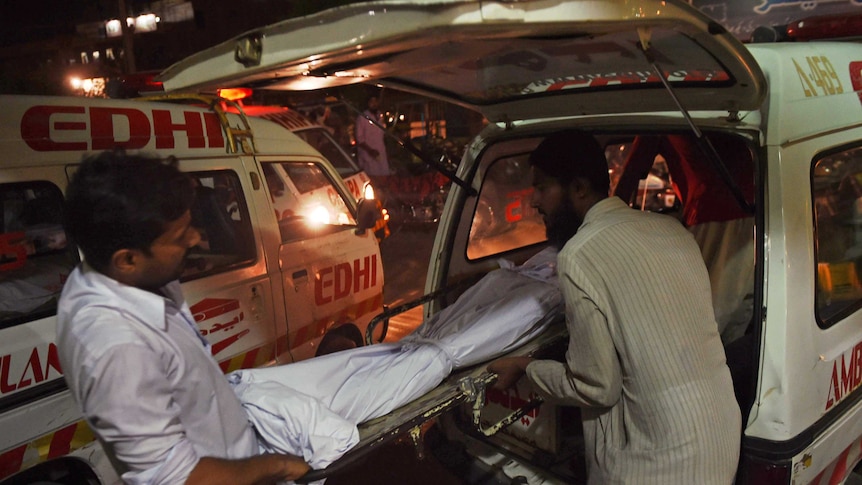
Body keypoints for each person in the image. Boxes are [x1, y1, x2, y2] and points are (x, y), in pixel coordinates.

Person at [488, 130, 741, 484]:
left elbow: (595, 386)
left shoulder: (580, 254)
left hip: (662, 461)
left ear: (578, 188)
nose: (535, 201)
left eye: (542, 187)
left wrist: (527, 368)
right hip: (720, 435)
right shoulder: (671, 228)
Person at [56, 151, 310, 484]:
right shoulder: (117, 349)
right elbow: (178, 480)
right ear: (127, 259)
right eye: (180, 237)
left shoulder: (123, 277)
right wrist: (278, 466)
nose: (195, 238)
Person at [354, 94, 392, 179]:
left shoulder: (380, 115)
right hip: (368, 155)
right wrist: (370, 151)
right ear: (368, 103)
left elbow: (382, 134)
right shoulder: (362, 117)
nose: (374, 104)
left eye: (376, 101)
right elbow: (359, 139)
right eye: (372, 102)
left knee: (385, 177)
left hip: (381, 153)